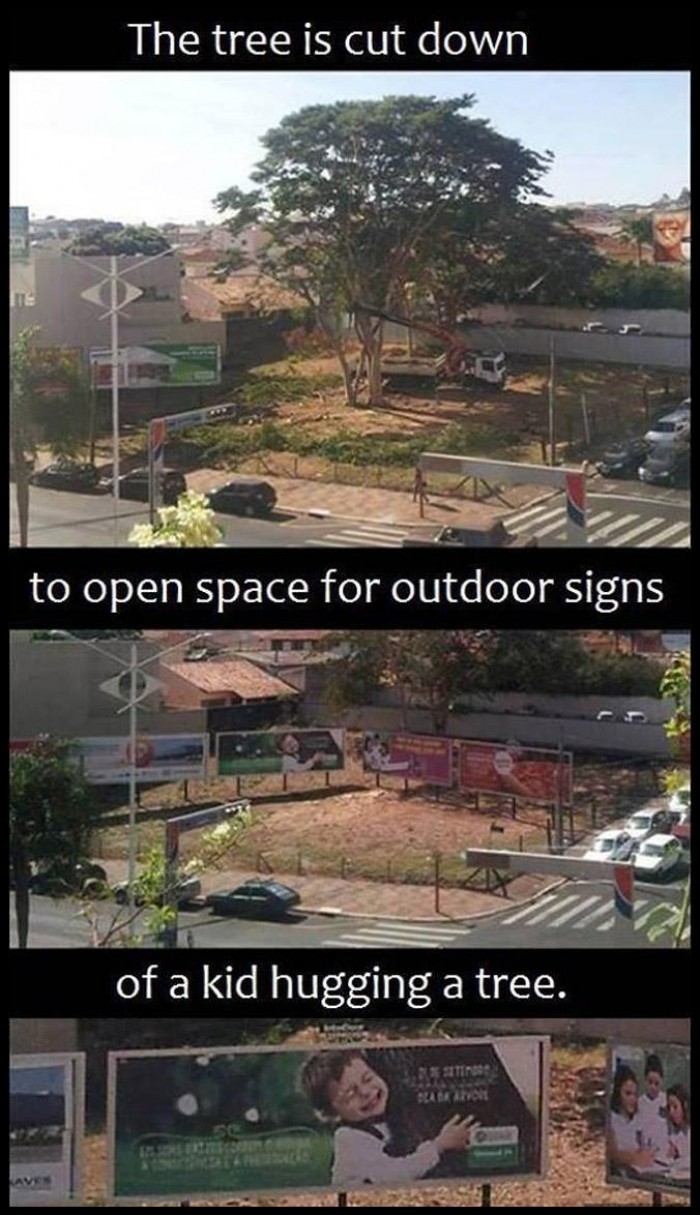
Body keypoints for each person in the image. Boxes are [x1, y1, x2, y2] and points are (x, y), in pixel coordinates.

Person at [300, 1050, 478, 1190]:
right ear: (331, 1112)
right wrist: (438, 1146)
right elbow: (393, 1175)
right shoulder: (348, 1138)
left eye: (368, 1078)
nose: (366, 1092)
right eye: (350, 1094)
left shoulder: (388, 1118)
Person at [608, 1065, 657, 1176]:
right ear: (618, 1093)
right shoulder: (612, 1118)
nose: (632, 1099)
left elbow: (642, 1145)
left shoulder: (637, 1117)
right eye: (628, 1094)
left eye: (635, 1094)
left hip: (641, 1169)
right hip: (622, 1171)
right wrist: (636, 1157)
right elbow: (613, 1153)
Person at [637, 1054, 667, 1156]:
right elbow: (638, 1131)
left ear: (662, 1081)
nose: (653, 1087)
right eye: (650, 1082)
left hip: (664, 1152)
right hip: (645, 1152)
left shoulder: (666, 1101)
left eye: (656, 1083)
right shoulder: (639, 1103)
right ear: (645, 1080)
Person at [665, 1084, 690, 1172]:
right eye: (669, 1107)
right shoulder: (672, 1135)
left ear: (685, 1105)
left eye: (675, 1107)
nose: (671, 1112)